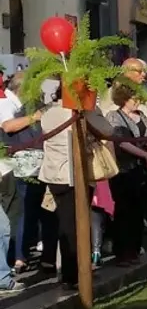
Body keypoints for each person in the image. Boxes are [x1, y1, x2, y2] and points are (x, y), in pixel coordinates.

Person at [38, 80, 115, 291]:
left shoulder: (48, 112)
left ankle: (70, 272)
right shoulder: (83, 112)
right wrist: (93, 110)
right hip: (74, 174)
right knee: (75, 226)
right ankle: (74, 275)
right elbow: (107, 130)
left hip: (54, 176)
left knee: (66, 223)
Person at [105, 85, 147, 267]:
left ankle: (135, 249)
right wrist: (145, 154)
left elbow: (143, 138)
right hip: (123, 169)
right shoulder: (114, 117)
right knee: (123, 212)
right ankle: (122, 253)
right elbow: (122, 143)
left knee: (138, 210)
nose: (136, 101)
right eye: (132, 98)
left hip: (140, 169)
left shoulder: (141, 116)